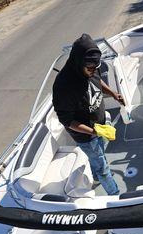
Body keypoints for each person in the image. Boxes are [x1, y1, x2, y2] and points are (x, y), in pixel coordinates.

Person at [52, 33, 124, 195]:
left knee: (100, 152)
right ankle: (115, 194)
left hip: (99, 125)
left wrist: (113, 93)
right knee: (103, 167)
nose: (93, 71)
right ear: (78, 63)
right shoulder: (64, 86)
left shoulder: (91, 67)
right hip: (86, 135)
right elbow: (67, 120)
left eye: (95, 68)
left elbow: (97, 81)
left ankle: (96, 175)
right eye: (89, 69)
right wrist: (93, 131)